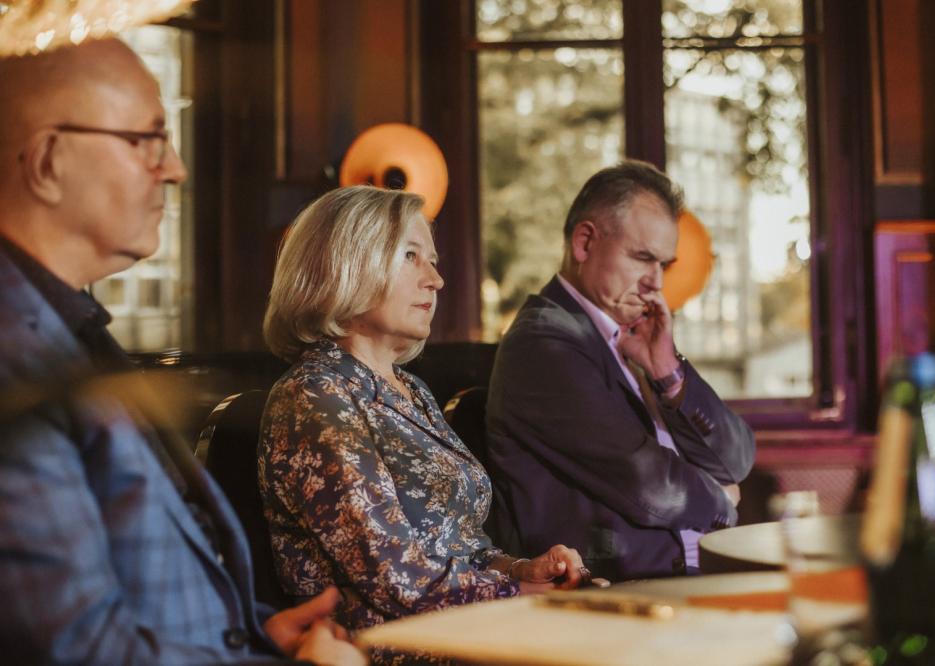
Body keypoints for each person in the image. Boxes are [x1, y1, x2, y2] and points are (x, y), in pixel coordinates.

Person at [0, 38, 363, 665]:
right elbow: (75, 647)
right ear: (49, 162)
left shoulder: (68, 324)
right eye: (147, 139)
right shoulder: (14, 358)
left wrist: (256, 635)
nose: (175, 168)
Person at [259, 185, 588, 638]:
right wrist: (522, 597)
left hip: (460, 626)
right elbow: (395, 579)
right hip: (383, 644)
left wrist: (521, 570)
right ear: (346, 263)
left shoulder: (411, 388)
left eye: (432, 261)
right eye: (410, 256)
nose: (436, 279)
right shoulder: (313, 396)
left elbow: (461, 547)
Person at [486, 160, 756, 581]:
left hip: (688, 575)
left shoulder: (634, 337)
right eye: (642, 258)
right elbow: (650, 484)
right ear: (585, 243)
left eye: (664, 264)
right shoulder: (543, 342)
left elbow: (737, 458)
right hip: (619, 589)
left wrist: (668, 372)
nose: (656, 283)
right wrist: (722, 502)